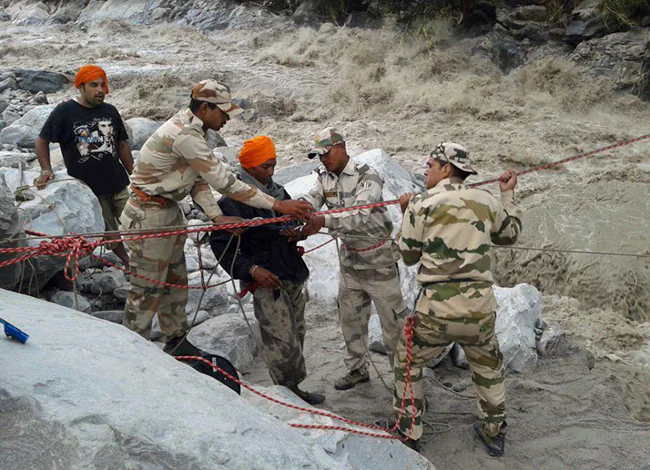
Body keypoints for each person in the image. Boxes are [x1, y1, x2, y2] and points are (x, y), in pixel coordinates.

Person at [119, 80, 313, 352]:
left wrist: (216, 217)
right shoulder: (186, 133)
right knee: (147, 288)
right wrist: (279, 206)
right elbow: (224, 182)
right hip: (148, 214)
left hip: (168, 210)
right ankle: (131, 349)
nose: (226, 119)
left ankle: (176, 341)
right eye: (223, 113)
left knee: (176, 281)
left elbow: (195, 178)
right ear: (205, 107)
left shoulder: (194, 131)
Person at [393, 142, 521, 454]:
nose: (425, 170)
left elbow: (408, 255)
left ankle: (409, 430)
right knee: (487, 365)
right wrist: (507, 194)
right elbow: (510, 234)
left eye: (429, 165)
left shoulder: (421, 202)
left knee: (407, 360)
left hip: (437, 310)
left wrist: (405, 212)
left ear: (446, 169)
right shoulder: (486, 199)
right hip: (479, 308)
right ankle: (493, 431)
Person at [210, 135, 325, 405]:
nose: (271, 172)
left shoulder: (276, 193)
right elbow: (221, 245)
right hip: (265, 281)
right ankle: (288, 396)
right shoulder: (232, 201)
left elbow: (282, 225)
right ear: (249, 167)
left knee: (296, 333)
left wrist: (298, 233)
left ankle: (292, 389)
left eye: (273, 165)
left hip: (291, 272)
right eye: (265, 167)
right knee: (279, 339)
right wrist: (252, 270)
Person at [300, 127, 408, 391]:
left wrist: (320, 221)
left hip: (379, 264)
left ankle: (406, 385)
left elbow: (357, 215)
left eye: (326, 153)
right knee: (351, 323)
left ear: (341, 147)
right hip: (350, 264)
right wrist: (295, 214)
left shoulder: (367, 175)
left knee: (394, 328)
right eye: (318, 155)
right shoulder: (324, 177)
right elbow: (311, 201)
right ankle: (357, 369)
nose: (323, 159)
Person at [35, 65, 133, 267]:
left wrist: (138, 176)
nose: (100, 90)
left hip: (117, 182)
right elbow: (42, 140)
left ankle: (146, 259)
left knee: (138, 222)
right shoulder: (65, 111)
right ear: (80, 87)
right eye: (94, 85)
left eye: (103, 85)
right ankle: (127, 261)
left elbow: (122, 144)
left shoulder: (110, 111)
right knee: (109, 231)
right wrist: (46, 169)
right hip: (89, 189)